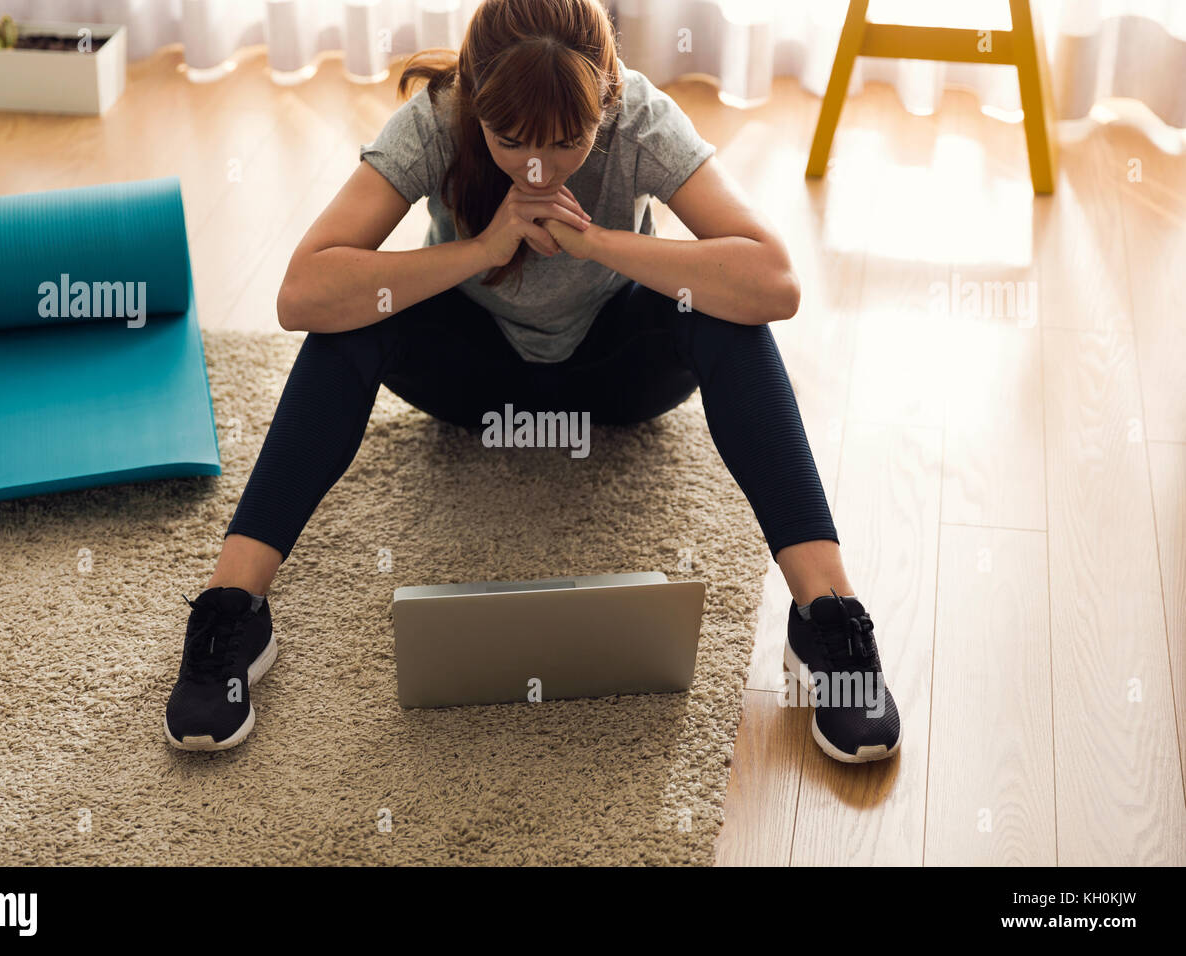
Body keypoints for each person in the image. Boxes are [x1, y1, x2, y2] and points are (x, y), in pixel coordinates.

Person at [164, 0, 901, 763]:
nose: (538, 169)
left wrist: (600, 244)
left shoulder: (641, 117)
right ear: (477, 101)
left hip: (616, 378)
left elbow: (776, 282)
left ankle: (827, 617)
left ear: (605, 100)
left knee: (728, 311)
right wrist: (483, 248)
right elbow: (301, 294)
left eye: (566, 142)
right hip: (473, 382)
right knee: (352, 314)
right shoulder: (435, 121)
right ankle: (233, 608)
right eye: (512, 142)